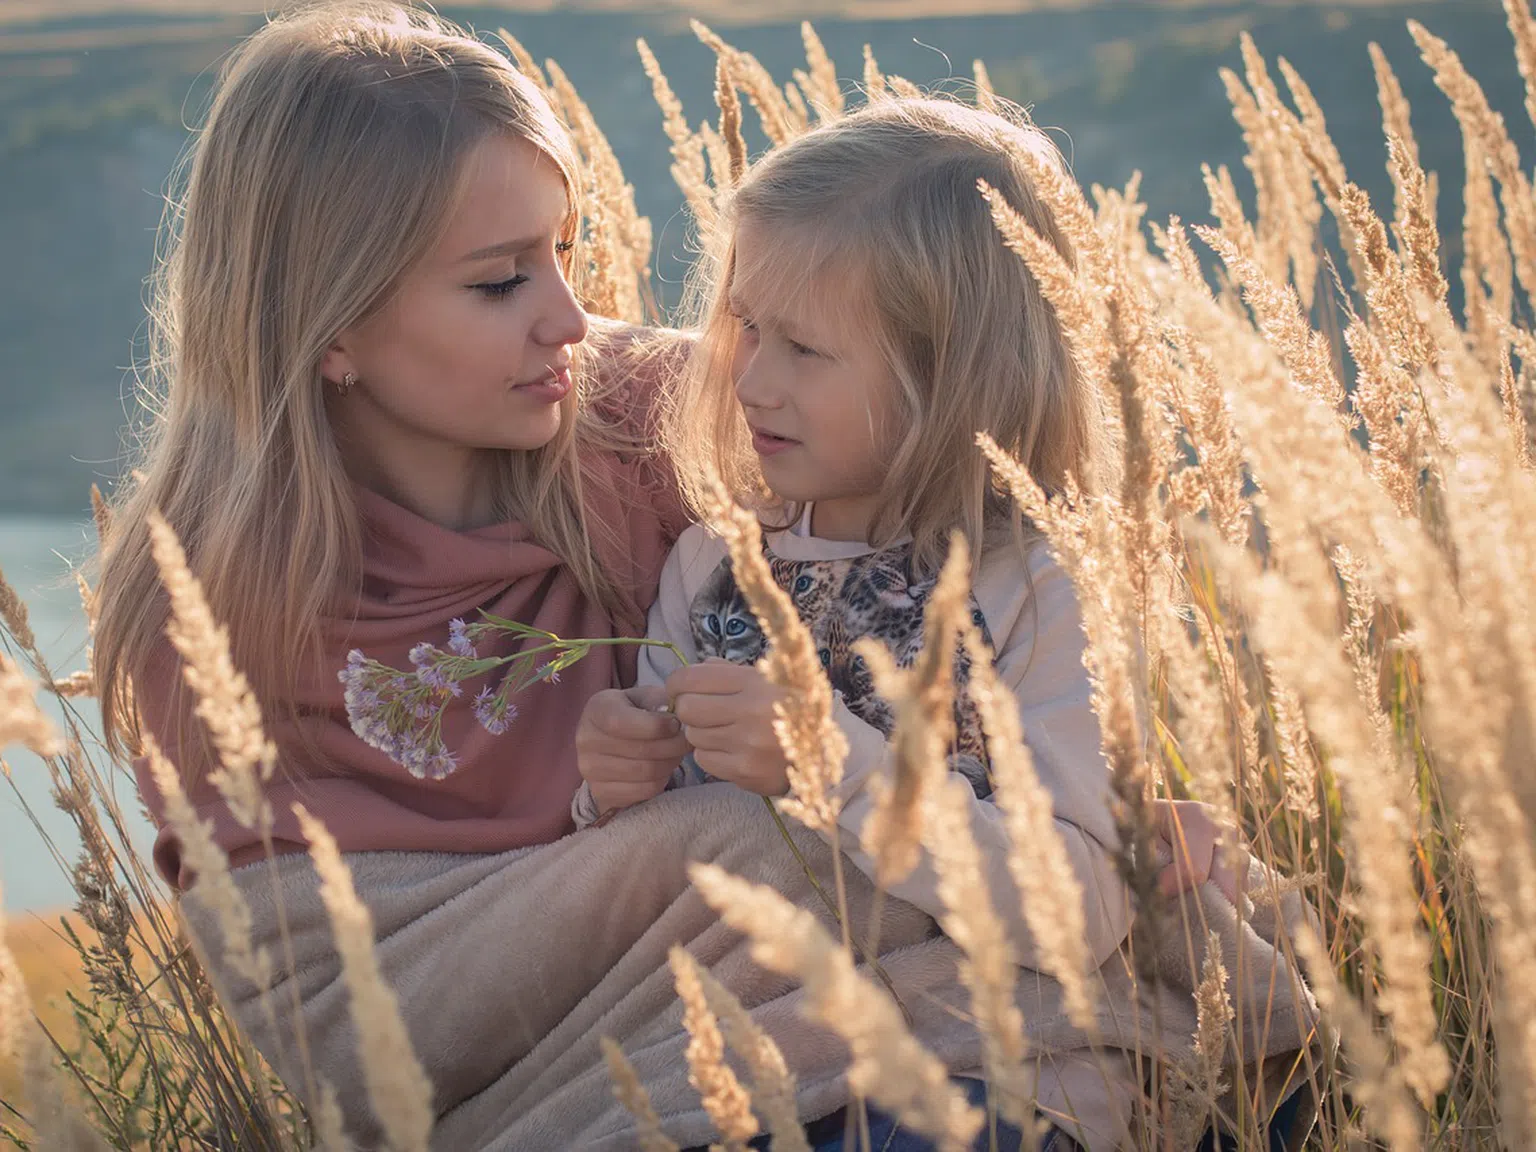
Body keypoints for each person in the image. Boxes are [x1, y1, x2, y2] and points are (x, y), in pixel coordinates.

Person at [89, 5, 1306, 1148]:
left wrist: (1072, 798)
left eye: (565, 253)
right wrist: (628, 812)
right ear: (331, 323)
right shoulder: (205, 597)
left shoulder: (649, 420)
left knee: (798, 854)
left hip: (787, 937)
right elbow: (322, 1001)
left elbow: (948, 537)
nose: (573, 318)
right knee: (741, 845)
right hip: (482, 982)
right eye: (502, 279)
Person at [573, 98, 1313, 1151]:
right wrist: (612, 785)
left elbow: (1080, 908)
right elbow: (664, 876)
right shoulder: (715, 570)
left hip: (998, 1069)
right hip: (774, 1049)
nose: (751, 375)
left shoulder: (1035, 593)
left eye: (807, 349)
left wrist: (835, 762)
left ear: (952, 373)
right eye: (744, 325)